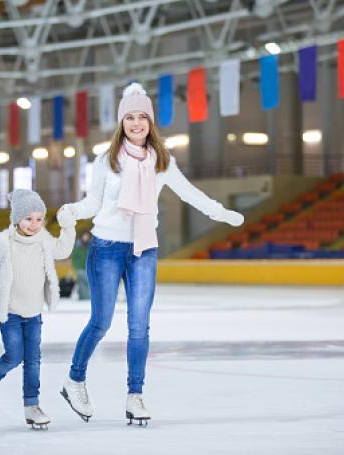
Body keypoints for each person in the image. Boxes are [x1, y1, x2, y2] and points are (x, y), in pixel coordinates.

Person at [58, 82, 244, 425]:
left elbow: (189, 193)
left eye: (142, 116)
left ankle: (135, 395)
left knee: (139, 326)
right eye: (130, 117)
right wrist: (71, 210)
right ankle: (75, 378)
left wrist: (220, 212)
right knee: (101, 321)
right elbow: (94, 202)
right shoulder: (107, 160)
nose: (136, 123)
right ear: (121, 122)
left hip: (144, 249)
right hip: (107, 247)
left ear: (151, 121)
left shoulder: (162, 160)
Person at [0, 189, 76, 430]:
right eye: (28, 219)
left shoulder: (44, 239)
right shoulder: (3, 242)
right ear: (16, 219)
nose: (34, 225)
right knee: (15, 356)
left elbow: (63, 251)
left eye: (38, 219)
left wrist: (68, 227)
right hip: (11, 313)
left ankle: (32, 406)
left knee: (33, 360)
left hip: (34, 313)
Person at [71, 231, 91, 300]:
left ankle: (89, 297)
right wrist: (76, 266)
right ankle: (82, 297)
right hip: (80, 268)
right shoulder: (78, 247)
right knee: (81, 284)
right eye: (84, 236)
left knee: (89, 283)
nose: (85, 238)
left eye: (86, 236)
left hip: (88, 269)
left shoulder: (91, 247)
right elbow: (74, 258)